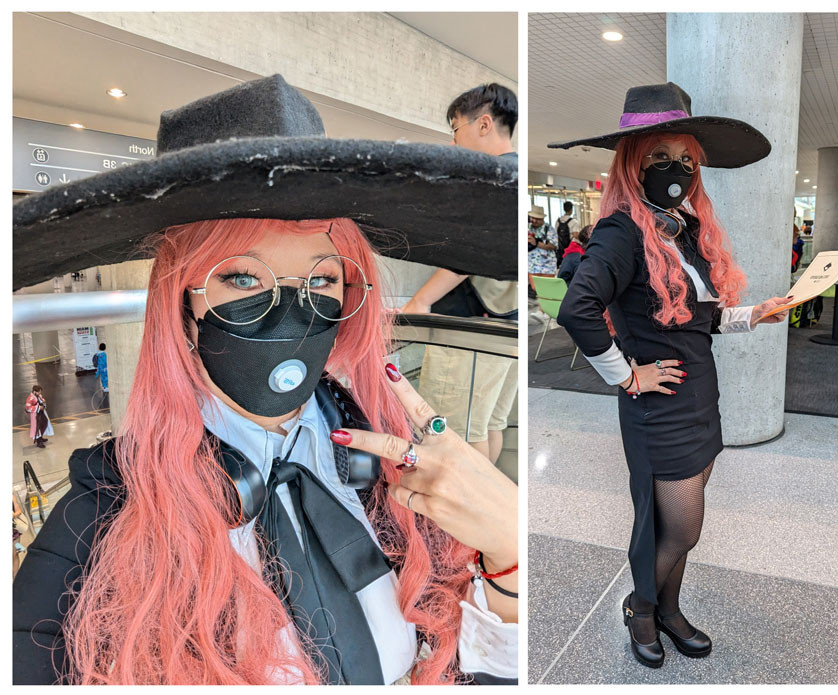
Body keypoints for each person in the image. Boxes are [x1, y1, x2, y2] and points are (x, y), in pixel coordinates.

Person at [12, 75, 518, 685]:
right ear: (181, 306)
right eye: (243, 280)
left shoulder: (392, 475)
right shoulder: (93, 528)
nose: (293, 314)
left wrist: (507, 553)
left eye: (322, 281)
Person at [551, 82, 791, 669]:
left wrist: (754, 315)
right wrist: (627, 376)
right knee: (681, 529)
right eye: (658, 158)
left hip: (699, 394)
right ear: (633, 162)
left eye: (685, 159)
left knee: (675, 522)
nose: (675, 169)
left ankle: (669, 608)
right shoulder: (620, 231)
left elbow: (697, 317)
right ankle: (641, 606)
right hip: (657, 405)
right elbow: (576, 308)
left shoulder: (680, 228)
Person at [404, 83, 518, 464]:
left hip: (471, 327)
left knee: (454, 432)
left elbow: (470, 254)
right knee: (486, 424)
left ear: (483, 124)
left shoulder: (496, 180)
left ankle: (456, 522)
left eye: (455, 129)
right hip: (505, 324)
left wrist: (421, 300)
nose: (453, 142)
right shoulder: (513, 177)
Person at [527, 205, 557, 285]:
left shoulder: (549, 229)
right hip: (531, 267)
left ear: (542, 219)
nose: (534, 221)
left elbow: (553, 246)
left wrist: (536, 243)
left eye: (537, 219)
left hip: (546, 268)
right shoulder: (528, 227)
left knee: (546, 290)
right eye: (532, 218)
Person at [554, 201, 578, 267]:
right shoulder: (574, 221)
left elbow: (556, 234)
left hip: (560, 248)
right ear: (571, 209)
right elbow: (575, 235)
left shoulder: (558, 221)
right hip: (570, 248)